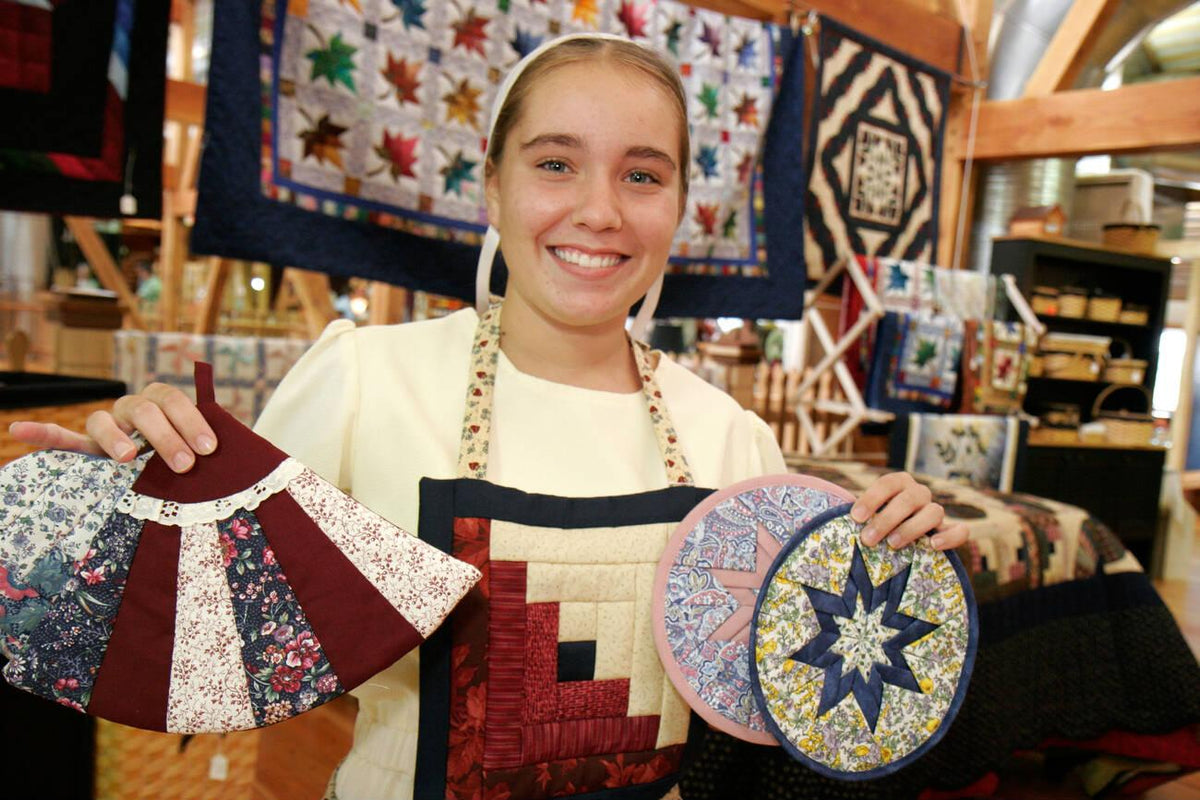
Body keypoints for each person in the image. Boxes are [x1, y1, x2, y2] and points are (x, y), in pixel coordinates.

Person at [10, 34, 968, 800]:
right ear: (493, 185)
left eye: (643, 175)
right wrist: (127, 485)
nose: (599, 211)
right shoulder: (365, 379)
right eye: (557, 163)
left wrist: (904, 568)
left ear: (681, 204)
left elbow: (803, 702)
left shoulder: (731, 437)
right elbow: (198, 639)